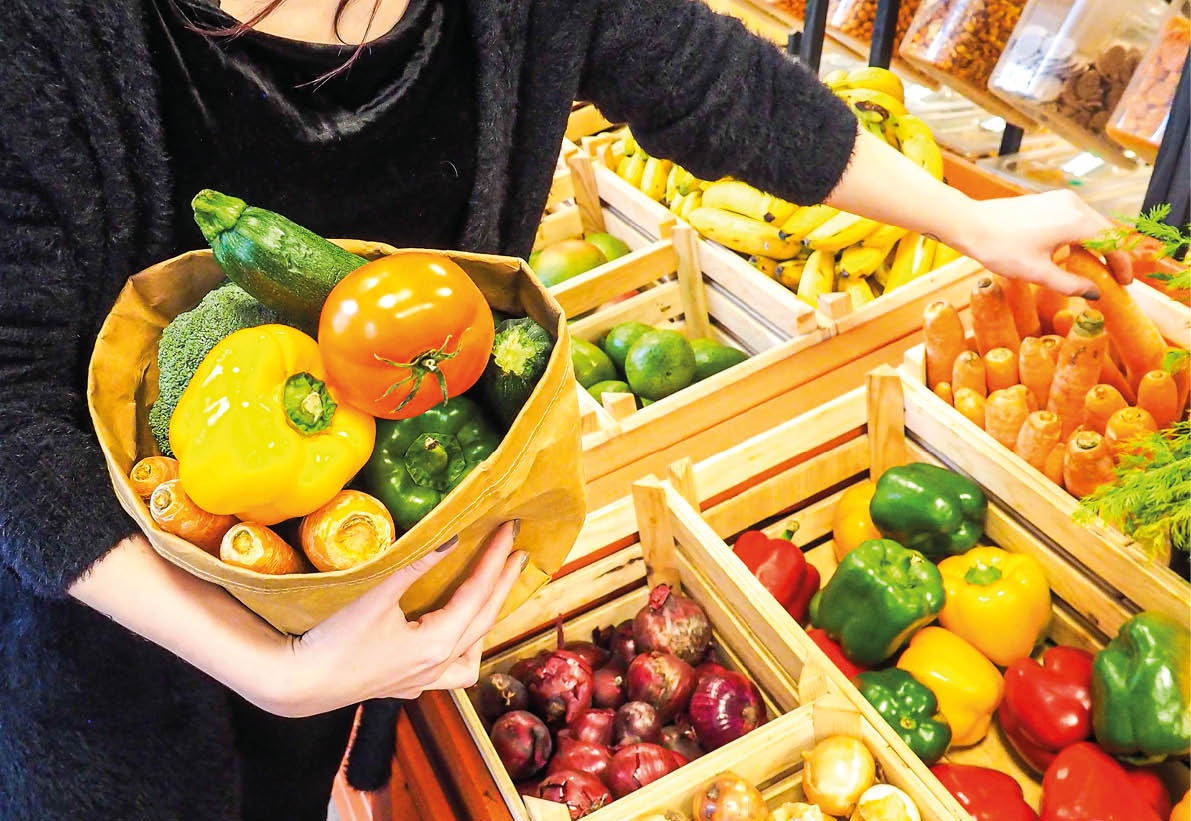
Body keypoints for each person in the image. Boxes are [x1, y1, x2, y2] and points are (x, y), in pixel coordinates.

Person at [0, 0, 1132, 818]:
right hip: (115, 642)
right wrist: (269, 665)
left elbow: (714, 86)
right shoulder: (53, 36)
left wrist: (968, 218)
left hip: (370, 565)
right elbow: (8, 405)